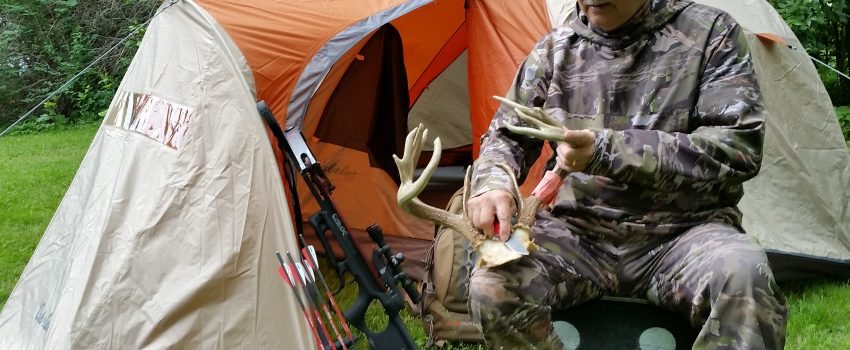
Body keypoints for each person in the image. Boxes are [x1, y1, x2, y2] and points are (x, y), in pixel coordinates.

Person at [466, 0, 789, 348]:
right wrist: (493, 182)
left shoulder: (710, 34)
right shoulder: (557, 49)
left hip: (683, 234)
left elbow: (738, 148)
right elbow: (506, 135)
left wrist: (608, 151)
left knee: (745, 278)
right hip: (577, 235)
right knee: (493, 285)